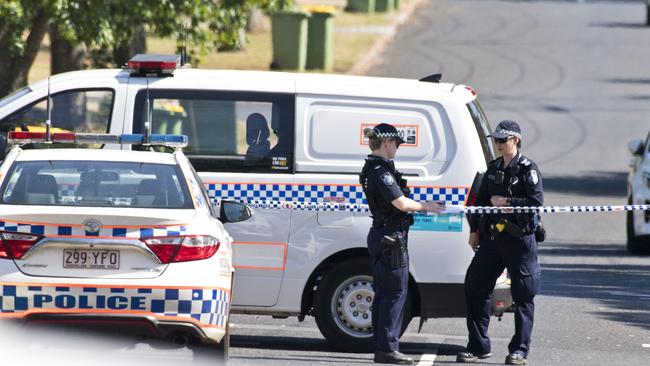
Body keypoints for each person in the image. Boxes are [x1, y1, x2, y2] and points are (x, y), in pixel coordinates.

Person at [457, 120, 543, 365]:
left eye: (502, 140)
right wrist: (474, 230)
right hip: (493, 238)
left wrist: (507, 202)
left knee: (524, 294)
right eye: (495, 140)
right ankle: (478, 345)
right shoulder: (493, 168)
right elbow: (480, 202)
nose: (498, 144)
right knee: (474, 285)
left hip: (519, 240)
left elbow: (536, 203)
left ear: (515, 140)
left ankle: (519, 350)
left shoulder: (528, 169)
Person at [359, 123, 444, 365]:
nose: (397, 148)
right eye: (396, 143)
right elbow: (401, 204)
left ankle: (382, 346)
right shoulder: (380, 171)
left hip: (383, 235)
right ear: (386, 143)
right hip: (391, 237)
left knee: (385, 292)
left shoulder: (372, 168)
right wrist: (426, 206)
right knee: (395, 292)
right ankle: (388, 348)